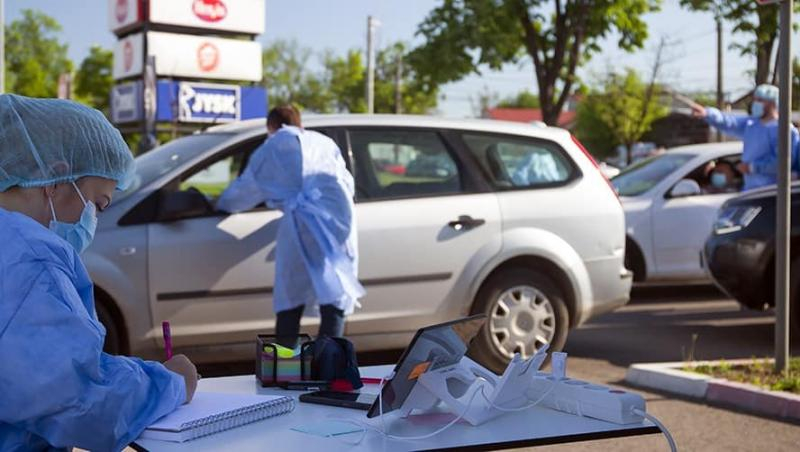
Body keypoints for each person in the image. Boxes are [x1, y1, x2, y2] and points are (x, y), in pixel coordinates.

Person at [0, 95, 198, 452]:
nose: (92, 220)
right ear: (56, 177)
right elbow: (80, 402)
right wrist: (170, 383)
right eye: (97, 204)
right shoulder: (30, 261)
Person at [216, 106, 364, 345]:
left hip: (301, 223)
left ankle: (286, 365)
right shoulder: (324, 143)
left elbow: (243, 192)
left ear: (270, 127)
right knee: (334, 291)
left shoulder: (272, 148)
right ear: (300, 122)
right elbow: (347, 182)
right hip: (338, 221)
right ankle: (329, 363)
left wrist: (219, 204)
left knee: (289, 296)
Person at [691, 84, 799, 191]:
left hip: (772, 192)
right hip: (750, 190)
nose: (755, 103)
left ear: (773, 103)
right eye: (755, 100)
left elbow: (783, 162)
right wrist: (707, 114)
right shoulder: (751, 125)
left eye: (760, 100)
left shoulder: (784, 130)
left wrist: (752, 168)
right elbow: (728, 122)